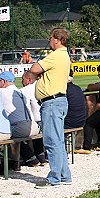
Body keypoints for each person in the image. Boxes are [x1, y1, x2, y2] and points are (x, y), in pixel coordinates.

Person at [28, 27, 72, 188]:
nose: (49, 41)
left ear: (56, 39)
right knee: (58, 140)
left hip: (51, 102)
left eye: (50, 38)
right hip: (58, 101)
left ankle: (54, 177)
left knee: (52, 141)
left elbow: (34, 69)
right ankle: (64, 174)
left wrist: (39, 73)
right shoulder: (64, 56)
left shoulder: (55, 55)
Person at [19, 70, 46, 167]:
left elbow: (25, 108)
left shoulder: (24, 90)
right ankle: (41, 156)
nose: (22, 82)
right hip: (46, 118)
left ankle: (31, 158)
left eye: (23, 79)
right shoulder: (43, 85)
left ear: (29, 79)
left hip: (36, 120)